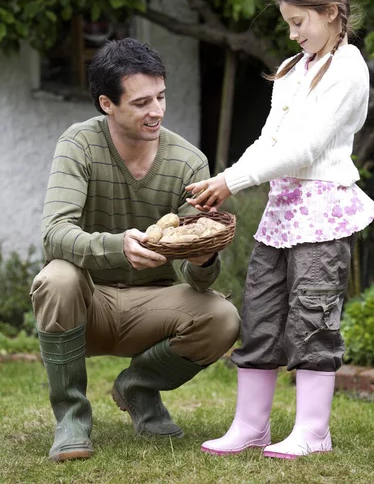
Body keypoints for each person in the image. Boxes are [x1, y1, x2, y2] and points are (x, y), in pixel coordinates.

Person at [186, 0, 374, 459]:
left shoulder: (348, 68)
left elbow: (305, 150)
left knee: (313, 316)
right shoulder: (294, 69)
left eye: (300, 22)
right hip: (281, 213)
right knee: (262, 312)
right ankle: (250, 426)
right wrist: (225, 178)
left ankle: (314, 432)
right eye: (289, 25)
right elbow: (270, 140)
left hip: (323, 211)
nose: (294, 34)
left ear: (332, 14)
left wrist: (231, 182)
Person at [30, 38, 240, 462]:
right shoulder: (80, 145)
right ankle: (71, 416)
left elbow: (199, 279)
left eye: (161, 96)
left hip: (154, 305)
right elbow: (55, 234)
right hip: (88, 302)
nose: (157, 111)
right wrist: (116, 247)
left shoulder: (189, 161)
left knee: (223, 318)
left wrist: (203, 259)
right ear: (107, 103)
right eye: (142, 102)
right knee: (56, 277)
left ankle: (139, 387)